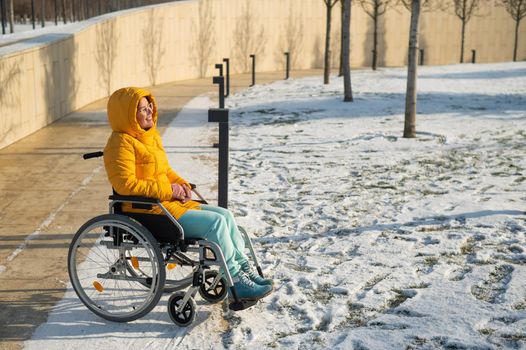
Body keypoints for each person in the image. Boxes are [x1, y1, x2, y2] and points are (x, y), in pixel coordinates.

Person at [103, 87, 273, 302]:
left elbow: (165, 172)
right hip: (148, 210)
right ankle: (237, 280)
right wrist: (169, 190)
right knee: (216, 223)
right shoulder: (120, 144)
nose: (149, 112)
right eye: (143, 109)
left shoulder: (150, 137)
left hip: (167, 204)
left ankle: (243, 270)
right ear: (128, 115)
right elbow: (126, 185)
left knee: (225, 215)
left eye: (150, 107)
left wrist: (181, 185)